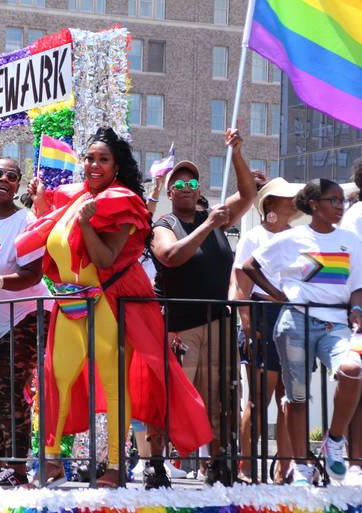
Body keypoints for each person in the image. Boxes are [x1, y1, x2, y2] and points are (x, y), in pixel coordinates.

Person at [23, 127, 211, 488]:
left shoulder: (121, 200)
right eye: (90, 158)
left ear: (116, 165)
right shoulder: (75, 197)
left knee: (113, 384)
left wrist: (84, 223)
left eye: (103, 159)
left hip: (106, 302)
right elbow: (58, 244)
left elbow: (105, 257)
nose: (94, 164)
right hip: (68, 303)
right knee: (56, 379)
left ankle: (115, 465)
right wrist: (46, 207)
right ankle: (50, 461)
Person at [150, 128, 256, 485]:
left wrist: (237, 153)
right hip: (179, 325)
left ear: (198, 188)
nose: (185, 188)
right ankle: (155, 464)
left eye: (190, 182)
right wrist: (207, 224)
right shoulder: (165, 224)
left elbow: (248, 195)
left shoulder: (217, 217)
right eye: (177, 185)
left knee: (219, 396)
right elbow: (169, 256)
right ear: (169, 193)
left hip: (218, 322)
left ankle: (217, 464)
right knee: (173, 397)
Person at [243, 178, 362, 486]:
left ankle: (334, 440)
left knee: (353, 369)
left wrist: (357, 311)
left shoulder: (351, 239)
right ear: (314, 204)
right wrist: (278, 295)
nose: (339, 206)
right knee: (296, 397)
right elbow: (250, 266)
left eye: (341, 201)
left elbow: (358, 286)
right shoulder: (292, 238)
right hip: (295, 321)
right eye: (332, 200)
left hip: (336, 324)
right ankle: (301, 466)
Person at [0, 157, 51, 487]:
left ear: (18, 185)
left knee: (8, 387)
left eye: (12, 176)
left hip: (25, 312)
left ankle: (17, 469)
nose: (4, 179)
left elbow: (34, 273)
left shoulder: (25, 220)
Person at [230, 177, 302, 483]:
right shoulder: (253, 236)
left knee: (291, 397)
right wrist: (246, 321)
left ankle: (284, 466)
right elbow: (240, 284)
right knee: (259, 396)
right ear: (270, 204)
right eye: (286, 197)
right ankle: (246, 465)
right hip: (263, 315)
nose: (292, 202)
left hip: (295, 315)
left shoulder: (300, 237)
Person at [339, 158, 362, 485]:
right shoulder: (356, 214)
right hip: (358, 309)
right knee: (358, 385)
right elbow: (351, 265)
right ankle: (355, 460)